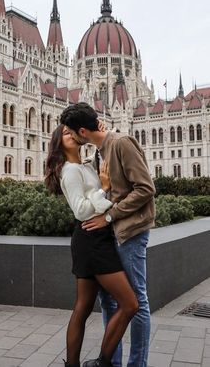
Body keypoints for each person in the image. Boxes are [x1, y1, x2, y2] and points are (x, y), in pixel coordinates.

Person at [60, 103, 156, 367]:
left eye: (70, 131)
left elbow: (146, 188)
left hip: (127, 231)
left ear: (81, 131)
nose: (67, 134)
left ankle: (134, 363)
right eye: (65, 134)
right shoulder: (85, 161)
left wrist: (110, 216)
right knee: (108, 303)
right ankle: (108, 363)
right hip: (99, 236)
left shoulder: (117, 144)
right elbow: (87, 201)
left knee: (134, 302)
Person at [45, 124, 139, 367]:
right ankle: (102, 362)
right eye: (66, 133)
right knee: (130, 304)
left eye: (74, 130)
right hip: (91, 238)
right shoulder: (70, 171)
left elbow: (102, 149)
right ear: (58, 142)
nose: (73, 133)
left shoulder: (85, 164)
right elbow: (81, 210)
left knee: (83, 308)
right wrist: (104, 188)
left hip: (94, 236)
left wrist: (103, 131)